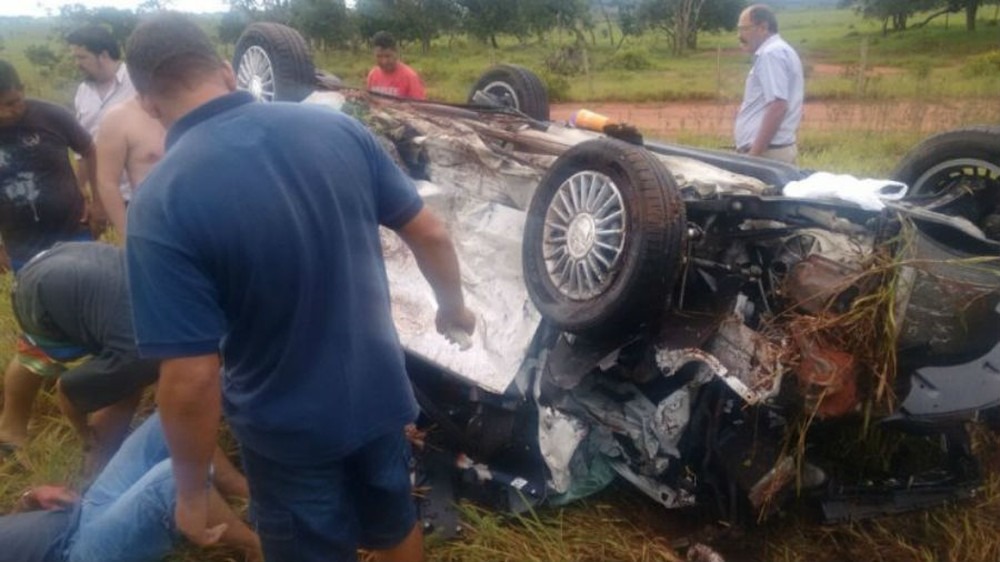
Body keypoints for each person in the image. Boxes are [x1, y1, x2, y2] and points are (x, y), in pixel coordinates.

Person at [124, 13, 475, 562]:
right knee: (392, 524)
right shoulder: (337, 130)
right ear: (226, 72)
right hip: (380, 394)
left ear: (146, 101)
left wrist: (193, 491)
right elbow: (429, 231)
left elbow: (191, 375)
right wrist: (453, 310)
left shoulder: (160, 200)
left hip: (286, 430)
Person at [0, 411, 262, 562]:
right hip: (78, 553)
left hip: (83, 510)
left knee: (174, 416)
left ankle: (249, 492)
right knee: (174, 479)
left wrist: (28, 500)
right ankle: (262, 548)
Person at [0, 242, 159, 476]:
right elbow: (67, 390)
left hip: (65, 259)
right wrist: (86, 436)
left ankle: (12, 430)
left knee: (123, 375)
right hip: (45, 291)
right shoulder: (138, 352)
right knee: (121, 384)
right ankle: (93, 461)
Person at [0, 60, 94, 273]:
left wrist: (93, 197)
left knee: (89, 295)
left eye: (12, 102)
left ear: (22, 90)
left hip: (74, 232)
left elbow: (89, 150)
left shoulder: (52, 116)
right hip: (21, 247)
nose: (6, 113)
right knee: (39, 304)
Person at [66, 24, 137, 221]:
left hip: (138, 191)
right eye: (75, 57)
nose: (77, 63)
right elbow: (82, 148)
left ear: (103, 55)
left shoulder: (137, 82)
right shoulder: (83, 91)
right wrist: (80, 190)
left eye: (82, 57)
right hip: (102, 194)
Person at [733, 4, 804, 165]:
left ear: (763, 28)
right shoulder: (779, 50)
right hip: (770, 151)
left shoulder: (771, 54)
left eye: (744, 29)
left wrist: (753, 156)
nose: (739, 35)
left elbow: (777, 106)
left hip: (767, 155)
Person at [94, 97, 165, 234]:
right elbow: (107, 182)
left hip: (202, 220)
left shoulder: (198, 104)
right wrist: (127, 235)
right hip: (153, 224)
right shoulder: (119, 118)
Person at [366, 31, 426, 100]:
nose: (384, 61)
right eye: (379, 56)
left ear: (396, 52)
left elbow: (419, 107)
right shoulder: (373, 75)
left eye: (388, 56)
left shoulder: (410, 77)